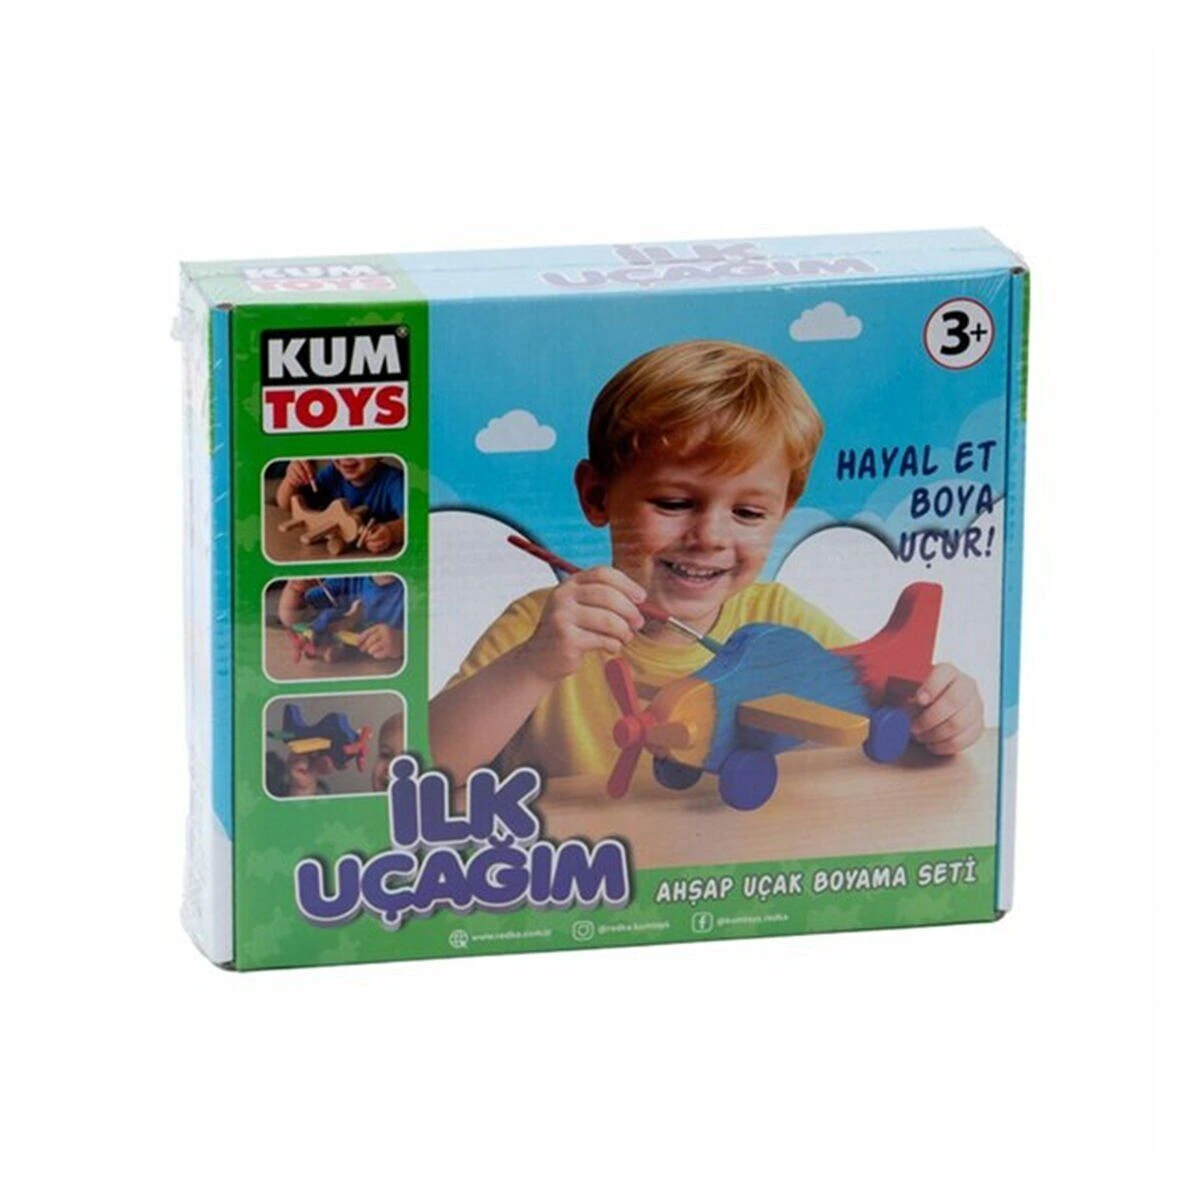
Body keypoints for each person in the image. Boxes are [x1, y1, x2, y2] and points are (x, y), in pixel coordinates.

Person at [430, 340, 983, 783]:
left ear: (782, 514)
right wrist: (533, 665)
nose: (710, 537)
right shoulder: (544, 628)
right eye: (674, 504)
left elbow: (872, 707)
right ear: (597, 496)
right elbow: (418, 767)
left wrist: (942, 714)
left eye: (748, 512)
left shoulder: (780, 621)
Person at [276, 457, 405, 554]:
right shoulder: (332, 473)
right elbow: (286, 506)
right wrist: (291, 481)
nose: (346, 457)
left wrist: (392, 532)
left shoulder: (394, 481)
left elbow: (414, 521)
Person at [278, 575, 405, 662]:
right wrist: (294, 591)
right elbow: (293, 618)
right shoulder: (347, 578)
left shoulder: (412, 587)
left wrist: (403, 642)